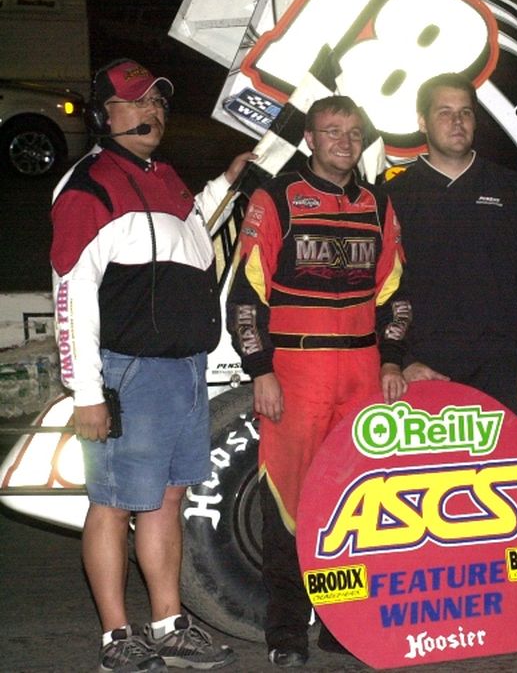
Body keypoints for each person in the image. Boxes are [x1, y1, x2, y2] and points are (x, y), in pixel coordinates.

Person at [51, 58, 250, 672]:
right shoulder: (87, 185)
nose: (151, 113)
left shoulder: (168, 177)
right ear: (101, 115)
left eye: (157, 103)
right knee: (111, 504)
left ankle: (168, 625)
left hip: (185, 368)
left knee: (165, 500)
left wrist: (228, 182)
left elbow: (190, 231)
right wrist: (87, 390)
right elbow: (70, 289)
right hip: (126, 373)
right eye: (134, 103)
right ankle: (118, 637)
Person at [225, 95, 410, 668]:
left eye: (354, 133)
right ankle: (286, 631)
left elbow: (395, 292)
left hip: (361, 370)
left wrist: (393, 360)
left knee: (355, 501)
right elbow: (246, 297)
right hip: (297, 372)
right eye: (333, 131)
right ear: (310, 138)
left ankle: (341, 622)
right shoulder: (276, 196)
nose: (345, 142)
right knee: (288, 500)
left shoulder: (379, 202)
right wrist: (261, 370)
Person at [385, 72, 517, 418]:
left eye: (465, 112)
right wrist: (401, 361)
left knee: (496, 472)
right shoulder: (394, 196)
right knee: (428, 473)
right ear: (422, 121)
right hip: (424, 367)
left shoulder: (512, 188)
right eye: (444, 112)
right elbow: (379, 290)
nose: (457, 121)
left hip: (501, 369)